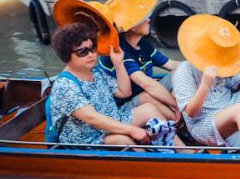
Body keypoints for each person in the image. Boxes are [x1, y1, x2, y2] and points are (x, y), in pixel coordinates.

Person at [47, 23, 182, 149]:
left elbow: (124, 92)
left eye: (92, 48)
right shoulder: (65, 85)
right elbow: (91, 118)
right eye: (83, 52)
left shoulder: (96, 72)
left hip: (113, 119)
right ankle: (154, 166)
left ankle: (184, 151)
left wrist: (118, 64)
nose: (91, 55)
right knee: (121, 139)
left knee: (149, 109)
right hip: (88, 137)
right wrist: (132, 130)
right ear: (67, 55)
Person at [171, 14, 240, 151]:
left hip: (230, 103)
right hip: (204, 123)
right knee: (239, 110)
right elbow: (190, 112)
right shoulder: (185, 70)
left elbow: (239, 86)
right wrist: (205, 84)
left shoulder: (224, 61)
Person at [98, 0, 180, 121]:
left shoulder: (143, 44)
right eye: (144, 18)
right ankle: (179, 123)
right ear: (132, 27)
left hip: (143, 93)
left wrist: (198, 66)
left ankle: (180, 117)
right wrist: (176, 106)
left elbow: (170, 64)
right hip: (124, 106)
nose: (148, 20)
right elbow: (147, 84)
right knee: (148, 97)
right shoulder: (118, 51)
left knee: (182, 71)